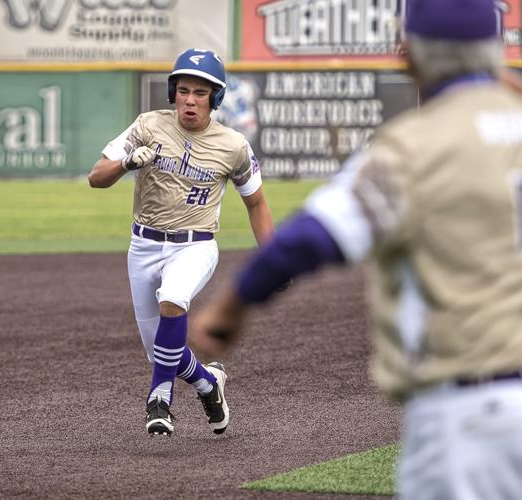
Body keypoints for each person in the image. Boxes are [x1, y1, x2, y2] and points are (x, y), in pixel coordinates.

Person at [191, 0, 522, 497]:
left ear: (407, 55)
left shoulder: (417, 145)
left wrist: (231, 306)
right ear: (496, 51)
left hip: (469, 420)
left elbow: (310, 239)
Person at [88, 48, 274, 436]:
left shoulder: (233, 145)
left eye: (201, 93)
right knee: (160, 350)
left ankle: (160, 399)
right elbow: (96, 177)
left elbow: (256, 203)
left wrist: (274, 258)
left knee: (173, 300)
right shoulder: (148, 125)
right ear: (174, 92)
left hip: (196, 245)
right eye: (184, 90)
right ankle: (209, 383)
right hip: (143, 246)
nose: (190, 100)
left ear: (215, 98)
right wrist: (126, 163)